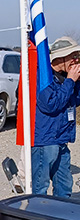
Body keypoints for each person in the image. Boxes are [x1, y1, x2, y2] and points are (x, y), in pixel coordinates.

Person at [31, 36, 80, 197]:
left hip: (61, 139)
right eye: (73, 57)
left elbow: (75, 100)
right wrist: (70, 81)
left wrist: (75, 82)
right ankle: (37, 218)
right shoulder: (44, 77)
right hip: (46, 140)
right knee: (40, 187)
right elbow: (49, 104)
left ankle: (60, 217)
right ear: (61, 57)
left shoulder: (66, 79)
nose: (76, 61)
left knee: (64, 186)